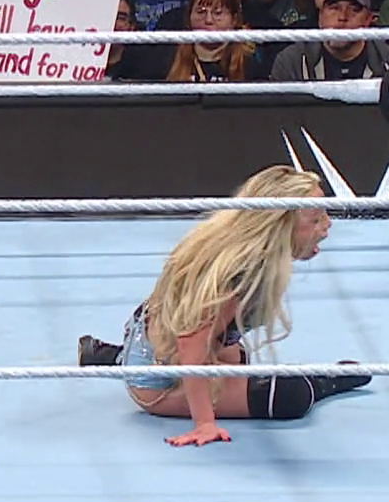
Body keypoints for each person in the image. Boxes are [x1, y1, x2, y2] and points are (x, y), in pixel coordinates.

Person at [78, 165, 367, 448]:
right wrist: (205, 423)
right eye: (315, 219)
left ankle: (114, 355)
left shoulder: (249, 250)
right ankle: (324, 381)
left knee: (239, 358)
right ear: (281, 225)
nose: (327, 225)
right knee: (287, 394)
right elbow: (191, 343)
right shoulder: (237, 271)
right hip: (156, 383)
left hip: (157, 340)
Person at [269, 0, 389, 81]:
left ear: (368, 20)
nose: (342, 17)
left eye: (353, 10)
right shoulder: (292, 62)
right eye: (334, 8)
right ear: (320, 17)